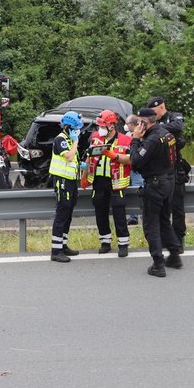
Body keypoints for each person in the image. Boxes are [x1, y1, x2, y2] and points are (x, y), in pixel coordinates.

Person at [119, 107, 182, 277]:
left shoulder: (153, 139)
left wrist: (135, 139)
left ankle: (158, 264)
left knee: (151, 224)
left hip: (155, 184)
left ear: (145, 122)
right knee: (163, 220)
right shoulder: (166, 133)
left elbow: (135, 161)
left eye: (140, 122)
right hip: (169, 181)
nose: (138, 125)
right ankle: (175, 255)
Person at [85, 109, 133, 257]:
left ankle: (123, 244)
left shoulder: (126, 140)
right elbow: (88, 158)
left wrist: (114, 156)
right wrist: (84, 175)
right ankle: (105, 242)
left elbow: (131, 160)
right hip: (99, 181)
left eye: (102, 125)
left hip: (117, 182)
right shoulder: (94, 137)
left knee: (119, 212)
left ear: (112, 125)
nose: (100, 128)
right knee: (100, 211)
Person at [147, 96, 189, 251]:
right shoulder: (154, 122)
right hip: (160, 171)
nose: (152, 114)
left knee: (177, 209)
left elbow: (178, 127)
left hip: (175, 169)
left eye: (153, 111)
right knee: (163, 210)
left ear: (161, 107)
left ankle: (179, 241)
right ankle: (167, 241)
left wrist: (158, 129)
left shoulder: (174, 117)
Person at [48, 111, 84, 263]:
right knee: (62, 215)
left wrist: (80, 166)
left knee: (68, 214)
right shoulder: (61, 139)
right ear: (68, 127)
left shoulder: (69, 139)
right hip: (62, 181)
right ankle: (56, 251)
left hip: (71, 181)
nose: (78, 131)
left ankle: (63, 245)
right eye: (76, 128)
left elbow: (71, 161)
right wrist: (76, 142)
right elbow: (68, 156)